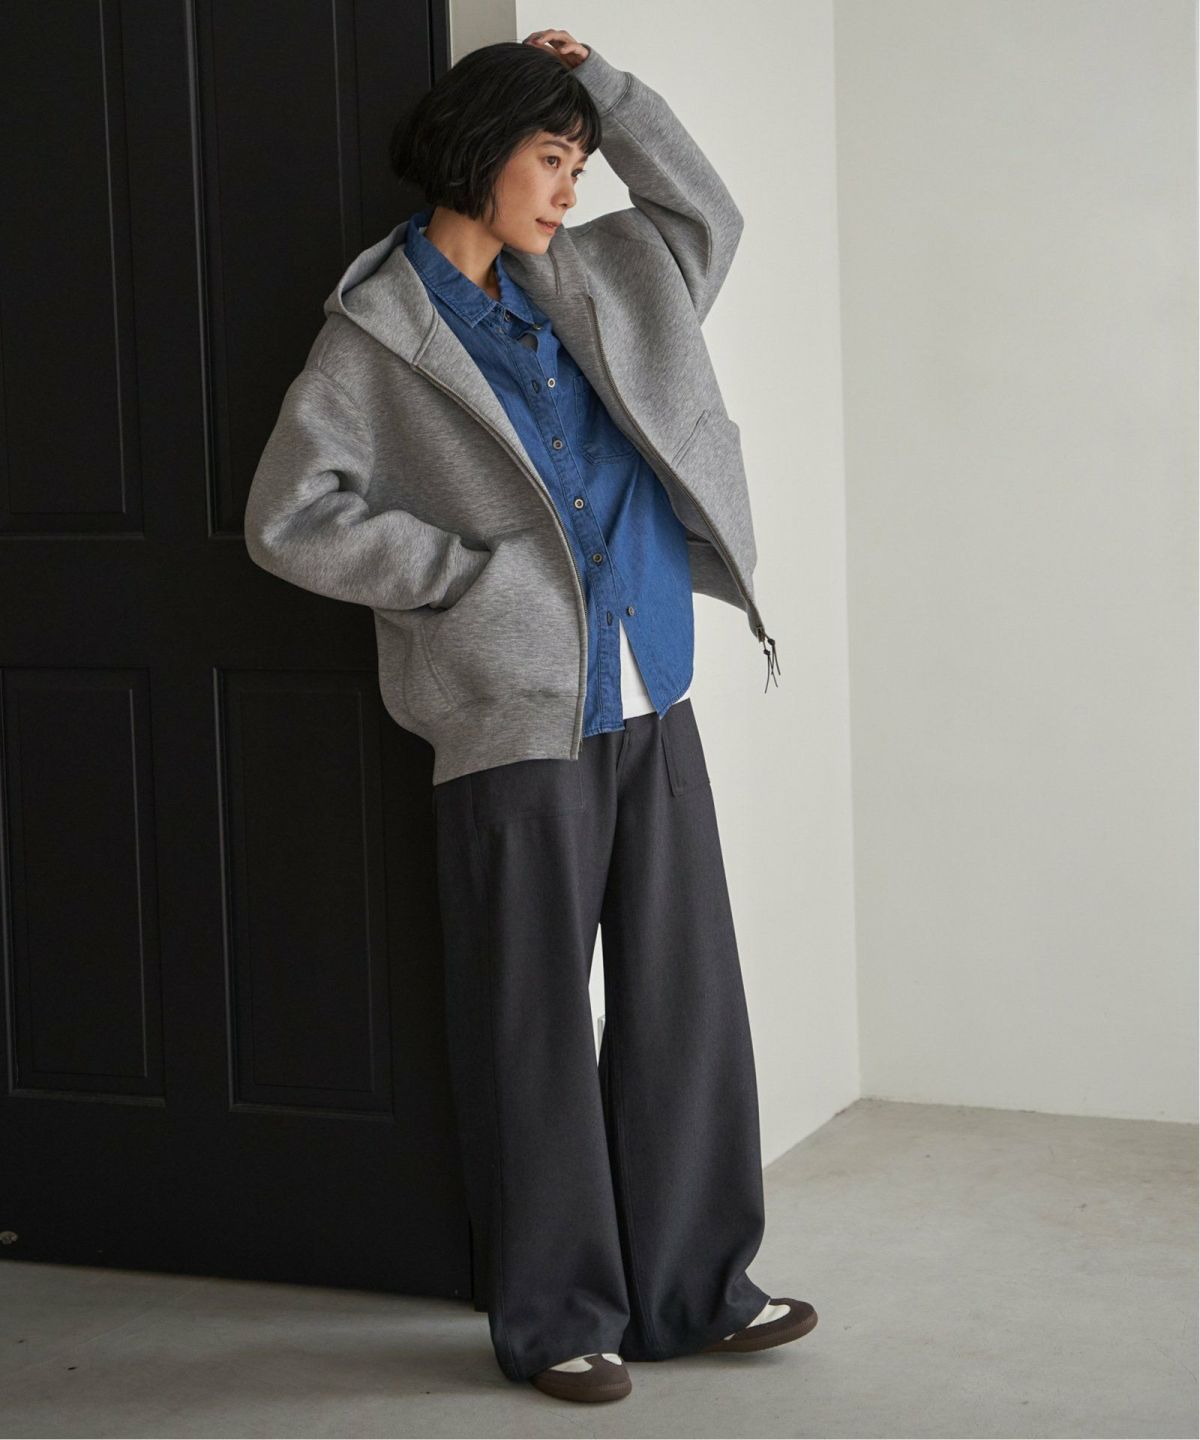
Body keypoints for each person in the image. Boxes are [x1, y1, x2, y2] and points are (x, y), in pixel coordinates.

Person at [244, 25, 814, 1404]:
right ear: (480, 153)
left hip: (650, 690)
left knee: (685, 1006)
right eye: (552, 159)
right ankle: (557, 1316)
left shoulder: (612, 276)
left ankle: (694, 1289)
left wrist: (607, 91)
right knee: (532, 1025)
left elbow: (708, 213)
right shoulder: (374, 335)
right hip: (509, 717)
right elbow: (287, 517)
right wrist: (465, 581)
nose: (570, 188)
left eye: (580, 164)